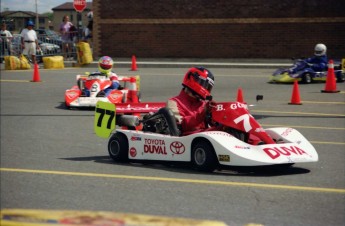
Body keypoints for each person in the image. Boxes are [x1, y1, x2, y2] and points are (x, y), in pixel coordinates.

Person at [166, 67, 215, 135]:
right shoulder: (174, 102)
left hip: (207, 137)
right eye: (204, 85)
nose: (206, 89)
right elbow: (182, 126)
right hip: (187, 140)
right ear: (192, 79)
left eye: (208, 87)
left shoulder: (204, 104)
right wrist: (203, 112)